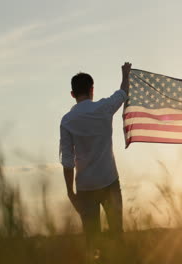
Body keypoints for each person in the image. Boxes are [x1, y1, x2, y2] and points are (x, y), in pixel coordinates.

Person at [59, 62, 132, 248]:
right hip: (109, 182)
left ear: (72, 94)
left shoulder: (67, 121)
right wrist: (126, 73)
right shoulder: (104, 108)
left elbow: (68, 162)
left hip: (85, 188)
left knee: (92, 242)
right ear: (92, 90)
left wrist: (70, 193)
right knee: (117, 236)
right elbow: (123, 93)